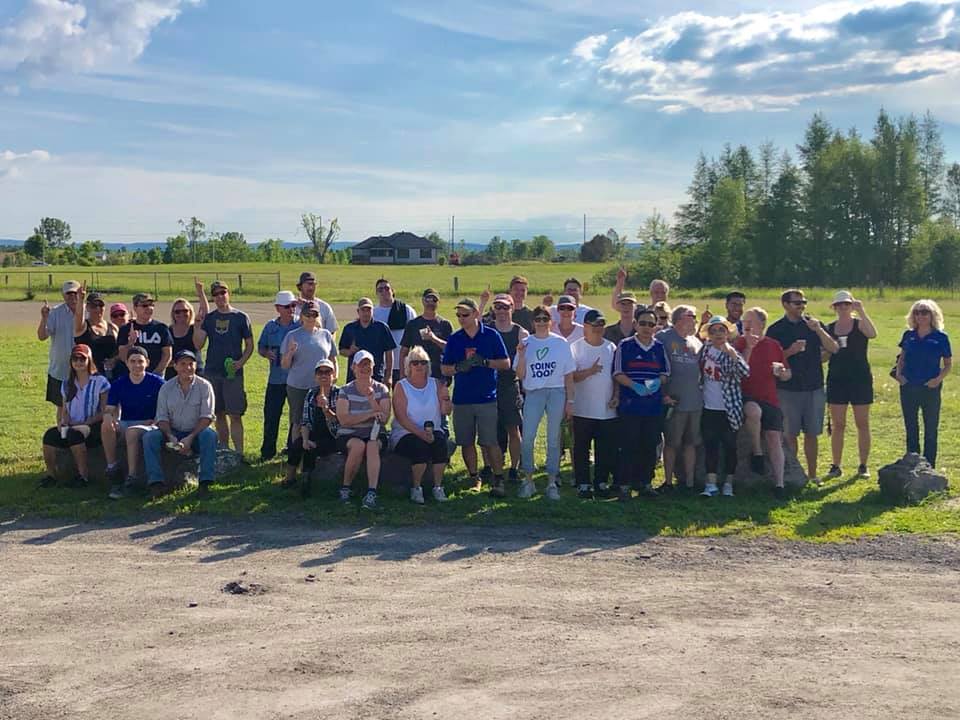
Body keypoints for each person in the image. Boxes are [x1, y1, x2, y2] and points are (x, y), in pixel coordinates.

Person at [766, 289, 838, 484]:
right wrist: (790, 351)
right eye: (797, 303)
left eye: (804, 302)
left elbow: (834, 348)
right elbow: (770, 360)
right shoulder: (776, 330)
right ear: (786, 305)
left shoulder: (813, 324)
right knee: (790, 435)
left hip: (814, 387)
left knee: (812, 434)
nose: (802, 306)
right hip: (788, 389)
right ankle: (794, 474)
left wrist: (819, 330)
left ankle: (813, 475)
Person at [441, 298, 510, 496]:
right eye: (459, 315)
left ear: (476, 314)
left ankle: (498, 480)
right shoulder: (455, 339)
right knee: (466, 441)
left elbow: (506, 363)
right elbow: (444, 368)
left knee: (490, 441)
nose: (461, 319)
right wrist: (457, 367)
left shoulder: (491, 335)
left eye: (465, 315)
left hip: (486, 398)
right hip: (462, 399)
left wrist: (486, 362)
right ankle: (474, 477)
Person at [514, 306, 576, 500]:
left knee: (553, 438)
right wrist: (522, 355)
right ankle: (528, 480)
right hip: (534, 392)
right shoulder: (526, 342)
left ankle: (551, 482)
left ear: (551, 321)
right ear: (533, 322)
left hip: (557, 392)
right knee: (529, 437)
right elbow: (519, 374)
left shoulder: (560, 343)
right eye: (538, 319)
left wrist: (570, 401)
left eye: (545, 319)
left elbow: (569, 375)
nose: (541, 322)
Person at [612, 306, 670, 500]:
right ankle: (624, 485)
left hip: (653, 406)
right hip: (630, 405)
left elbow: (665, 373)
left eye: (651, 324)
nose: (647, 327)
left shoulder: (659, 347)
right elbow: (617, 373)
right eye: (643, 323)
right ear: (636, 324)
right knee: (628, 445)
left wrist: (657, 382)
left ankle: (645, 483)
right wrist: (634, 385)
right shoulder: (625, 345)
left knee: (649, 445)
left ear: (656, 327)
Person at [142, 349, 218, 498]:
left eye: (191, 364)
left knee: (209, 435)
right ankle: (156, 484)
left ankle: (205, 483)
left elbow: (207, 417)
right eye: (183, 364)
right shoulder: (166, 388)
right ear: (175, 366)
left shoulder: (205, 386)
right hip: (173, 432)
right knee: (149, 437)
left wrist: (190, 438)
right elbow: (162, 417)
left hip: (197, 432)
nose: (187, 368)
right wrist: (170, 436)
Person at [734, 307, 792, 498]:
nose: (746, 325)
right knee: (753, 411)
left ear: (761, 324)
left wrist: (783, 373)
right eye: (744, 321)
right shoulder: (738, 343)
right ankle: (757, 453)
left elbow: (787, 373)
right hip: (746, 395)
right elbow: (740, 369)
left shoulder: (774, 345)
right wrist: (749, 347)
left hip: (769, 397)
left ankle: (780, 484)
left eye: (749, 321)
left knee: (774, 438)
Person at [193, 280, 254, 456]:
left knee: (235, 414)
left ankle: (239, 453)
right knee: (218, 413)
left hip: (233, 373)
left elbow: (249, 345)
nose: (220, 296)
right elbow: (198, 344)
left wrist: (241, 362)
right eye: (216, 294)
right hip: (213, 371)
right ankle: (224, 450)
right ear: (213, 298)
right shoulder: (210, 319)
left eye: (223, 292)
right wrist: (197, 326)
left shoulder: (240, 317)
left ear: (229, 293)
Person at [39, 344, 110, 489]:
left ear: (89, 360)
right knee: (50, 436)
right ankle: (51, 474)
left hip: (93, 425)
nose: (78, 362)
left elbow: (106, 410)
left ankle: (83, 476)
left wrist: (89, 421)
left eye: (82, 359)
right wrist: (63, 422)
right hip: (72, 424)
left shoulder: (100, 382)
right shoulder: (66, 384)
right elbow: (64, 409)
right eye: (75, 359)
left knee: (75, 435)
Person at [825, 291, 877, 478]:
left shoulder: (859, 324)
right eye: (840, 305)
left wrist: (862, 311)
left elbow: (872, 334)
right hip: (837, 380)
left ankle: (863, 465)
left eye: (847, 304)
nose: (843, 308)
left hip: (860, 379)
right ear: (835, 307)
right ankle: (836, 465)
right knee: (838, 424)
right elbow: (824, 355)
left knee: (862, 423)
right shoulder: (829, 328)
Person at [102, 346, 165, 499]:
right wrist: (109, 416)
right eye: (133, 361)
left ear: (147, 363)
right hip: (126, 423)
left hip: (150, 424)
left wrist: (155, 422)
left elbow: (166, 408)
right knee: (106, 425)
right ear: (126, 363)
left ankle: (132, 477)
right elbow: (110, 408)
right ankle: (113, 468)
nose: (137, 365)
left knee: (132, 431)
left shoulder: (158, 382)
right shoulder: (119, 383)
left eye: (140, 361)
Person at [391, 346, 452, 504]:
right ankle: (416, 488)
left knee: (441, 443)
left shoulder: (436, 384)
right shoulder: (401, 386)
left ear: (428, 365)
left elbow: (446, 412)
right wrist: (420, 433)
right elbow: (401, 417)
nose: (419, 366)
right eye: (415, 363)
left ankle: (438, 487)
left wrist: (446, 399)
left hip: (433, 431)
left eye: (423, 363)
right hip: (406, 433)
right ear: (408, 366)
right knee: (419, 446)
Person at [895, 300, 951, 466]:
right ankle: (912, 463)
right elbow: (902, 358)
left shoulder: (941, 337)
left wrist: (937, 380)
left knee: (930, 428)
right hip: (909, 386)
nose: (920, 316)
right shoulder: (909, 335)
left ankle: (929, 465)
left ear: (932, 315)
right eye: (917, 312)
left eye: (924, 312)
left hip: (930, 388)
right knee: (911, 427)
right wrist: (899, 375)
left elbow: (948, 365)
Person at [698, 317, 750, 498]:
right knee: (710, 445)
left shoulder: (732, 352)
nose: (718, 334)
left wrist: (732, 354)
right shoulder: (705, 351)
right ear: (709, 335)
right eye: (714, 331)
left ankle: (728, 484)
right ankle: (710, 484)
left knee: (730, 447)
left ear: (728, 333)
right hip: (708, 407)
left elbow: (745, 372)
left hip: (730, 408)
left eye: (722, 330)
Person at [571, 309, 619, 499]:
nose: (599, 328)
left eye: (602, 324)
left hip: (606, 409)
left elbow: (616, 375)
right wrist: (589, 371)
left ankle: (600, 482)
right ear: (586, 327)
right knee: (581, 448)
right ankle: (583, 483)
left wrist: (616, 395)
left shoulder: (611, 347)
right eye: (595, 324)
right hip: (582, 408)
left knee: (605, 449)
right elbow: (571, 377)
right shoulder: (575, 347)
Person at [336, 350, 391, 510]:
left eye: (368, 364)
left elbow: (384, 418)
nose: (365, 368)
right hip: (349, 434)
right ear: (354, 367)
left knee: (372, 445)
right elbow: (344, 420)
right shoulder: (345, 390)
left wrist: (372, 400)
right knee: (358, 446)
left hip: (374, 433)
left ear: (373, 367)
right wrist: (370, 414)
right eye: (361, 364)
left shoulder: (382, 389)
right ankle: (345, 488)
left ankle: (371, 492)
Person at [657, 305, 703, 492]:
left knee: (691, 443)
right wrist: (663, 395)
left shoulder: (696, 342)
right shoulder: (663, 337)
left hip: (695, 402)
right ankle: (668, 481)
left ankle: (689, 482)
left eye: (695, 316)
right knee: (672, 443)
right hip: (673, 401)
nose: (694, 319)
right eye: (691, 316)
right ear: (678, 319)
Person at [280, 299, 336, 444]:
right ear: (302, 316)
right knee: (298, 422)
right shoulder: (292, 335)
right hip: (298, 386)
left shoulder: (326, 335)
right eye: (307, 314)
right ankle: (295, 455)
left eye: (314, 314)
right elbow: (284, 365)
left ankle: (316, 454)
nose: (311, 317)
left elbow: (333, 359)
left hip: (321, 386)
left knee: (321, 419)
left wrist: (334, 378)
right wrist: (290, 352)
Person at [483, 294, 526, 482]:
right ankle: (488, 467)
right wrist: (482, 302)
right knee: (487, 429)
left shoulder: (520, 333)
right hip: (487, 384)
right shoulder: (486, 330)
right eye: (497, 307)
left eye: (505, 307)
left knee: (513, 429)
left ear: (512, 309)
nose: (501, 311)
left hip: (510, 385)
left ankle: (514, 468)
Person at [283, 359, 340, 497]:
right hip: (314, 433)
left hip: (334, 436)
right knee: (298, 445)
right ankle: (290, 478)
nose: (324, 375)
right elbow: (306, 420)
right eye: (320, 372)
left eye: (327, 372)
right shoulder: (311, 394)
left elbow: (340, 422)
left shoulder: (340, 394)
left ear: (333, 375)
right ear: (315, 376)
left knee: (312, 449)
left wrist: (326, 410)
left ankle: (306, 481)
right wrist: (305, 440)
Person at [258, 290, 301, 461]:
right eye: (287, 306)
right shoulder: (270, 327)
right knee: (271, 415)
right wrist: (266, 353)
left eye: (293, 305)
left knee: (295, 416)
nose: (291, 309)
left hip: (295, 379)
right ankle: (267, 451)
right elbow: (261, 347)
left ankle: (292, 448)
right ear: (278, 308)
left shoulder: (300, 325)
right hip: (275, 379)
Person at [38, 279, 81, 410]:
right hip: (60, 370)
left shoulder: (88, 311)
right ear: (63, 295)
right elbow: (42, 336)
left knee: (81, 407)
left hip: (82, 368)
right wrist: (44, 318)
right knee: (61, 408)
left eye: (75, 293)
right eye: (69, 294)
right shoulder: (55, 313)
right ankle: (62, 431)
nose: (72, 296)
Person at [399, 288, 453, 383]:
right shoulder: (413, 324)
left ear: (438, 302)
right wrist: (403, 374)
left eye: (434, 300)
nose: (431, 302)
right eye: (428, 299)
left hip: (439, 375)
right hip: (416, 374)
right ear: (423, 301)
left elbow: (451, 349)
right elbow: (404, 352)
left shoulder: (445, 324)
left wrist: (433, 338)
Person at [338, 297, 396, 384]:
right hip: (354, 378)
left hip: (376, 376)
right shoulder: (349, 328)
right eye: (363, 310)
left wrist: (388, 376)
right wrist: (350, 351)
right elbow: (341, 350)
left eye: (368, 310)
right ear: (358, 311)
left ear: (373, 311)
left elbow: (389, 353)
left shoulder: (382, 328)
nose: (366, 313)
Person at [117, 292, 173, 377]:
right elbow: (122, 356)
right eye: (144, 306)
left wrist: (157, 372)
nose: (149, 308)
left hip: (155, 376)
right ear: (135, 308)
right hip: (132, 377)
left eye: (151, 305)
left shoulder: (161, 328)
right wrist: (131, 342)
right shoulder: (126, 329)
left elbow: (167, 354)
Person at [372, 278, 416, 386]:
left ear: (392, 290)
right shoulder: (373, 313)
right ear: (376, 293)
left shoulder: (406, 310)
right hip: (381, 365)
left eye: (387, 288)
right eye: (380, 289)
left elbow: (415, 334)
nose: (384, 291)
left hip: (402, 364)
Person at [72, 285, 119, 379]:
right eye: (94, 306)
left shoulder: (113, 328)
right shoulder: (82, 327)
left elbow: (119, 351)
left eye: (101, 305)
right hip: (87, 376)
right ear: (87, 308)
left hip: (109, 376)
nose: (98, 309)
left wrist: (114, 360)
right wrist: (80, 300)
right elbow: (78, 315)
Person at [166, 298, 203, 381]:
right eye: (177, 312)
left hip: (194, 372)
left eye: (185, 311)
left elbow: (204, 312)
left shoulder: (195, 328)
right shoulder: (168, 330)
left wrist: (201, 292)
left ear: (190, 312)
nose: (181, 314)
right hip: (173, 374)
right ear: (173, 314)